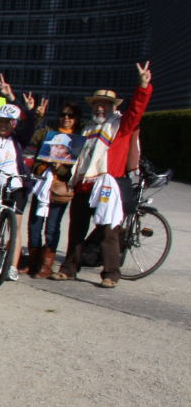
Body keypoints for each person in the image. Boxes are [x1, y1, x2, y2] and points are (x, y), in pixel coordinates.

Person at [53, 63, 153, 287]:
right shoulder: (87, 129)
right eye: (97, 104)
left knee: (109, 232)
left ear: (112, 107)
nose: (100, 108)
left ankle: (110, 274)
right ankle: (69, 269)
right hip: (84, 187)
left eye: (105, 105)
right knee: (76, 230)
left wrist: (143, 86)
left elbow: (136, 110)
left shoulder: (121, 126)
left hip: (107, 186)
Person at [0, 99, 38, 281]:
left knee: (15, 226)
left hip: (16, 187)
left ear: (13, 123)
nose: (3, 125)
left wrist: (30, 110)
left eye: (7, 121)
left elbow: (30, 128)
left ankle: (12, 266)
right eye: (0, 121)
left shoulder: (18, 140)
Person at [25, 100, 80, 278]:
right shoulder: (48, 133)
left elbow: (77, 168)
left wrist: (60, 168)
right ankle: (33, 263)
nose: (66, 118)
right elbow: (30, 137)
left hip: (59, 187)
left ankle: (46, 266)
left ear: (76, 119)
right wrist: (37, 117)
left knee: (52, 227)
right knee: (34, 225)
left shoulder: (78, 139)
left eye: (70, 116)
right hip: (42, 184)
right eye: (63, 114)